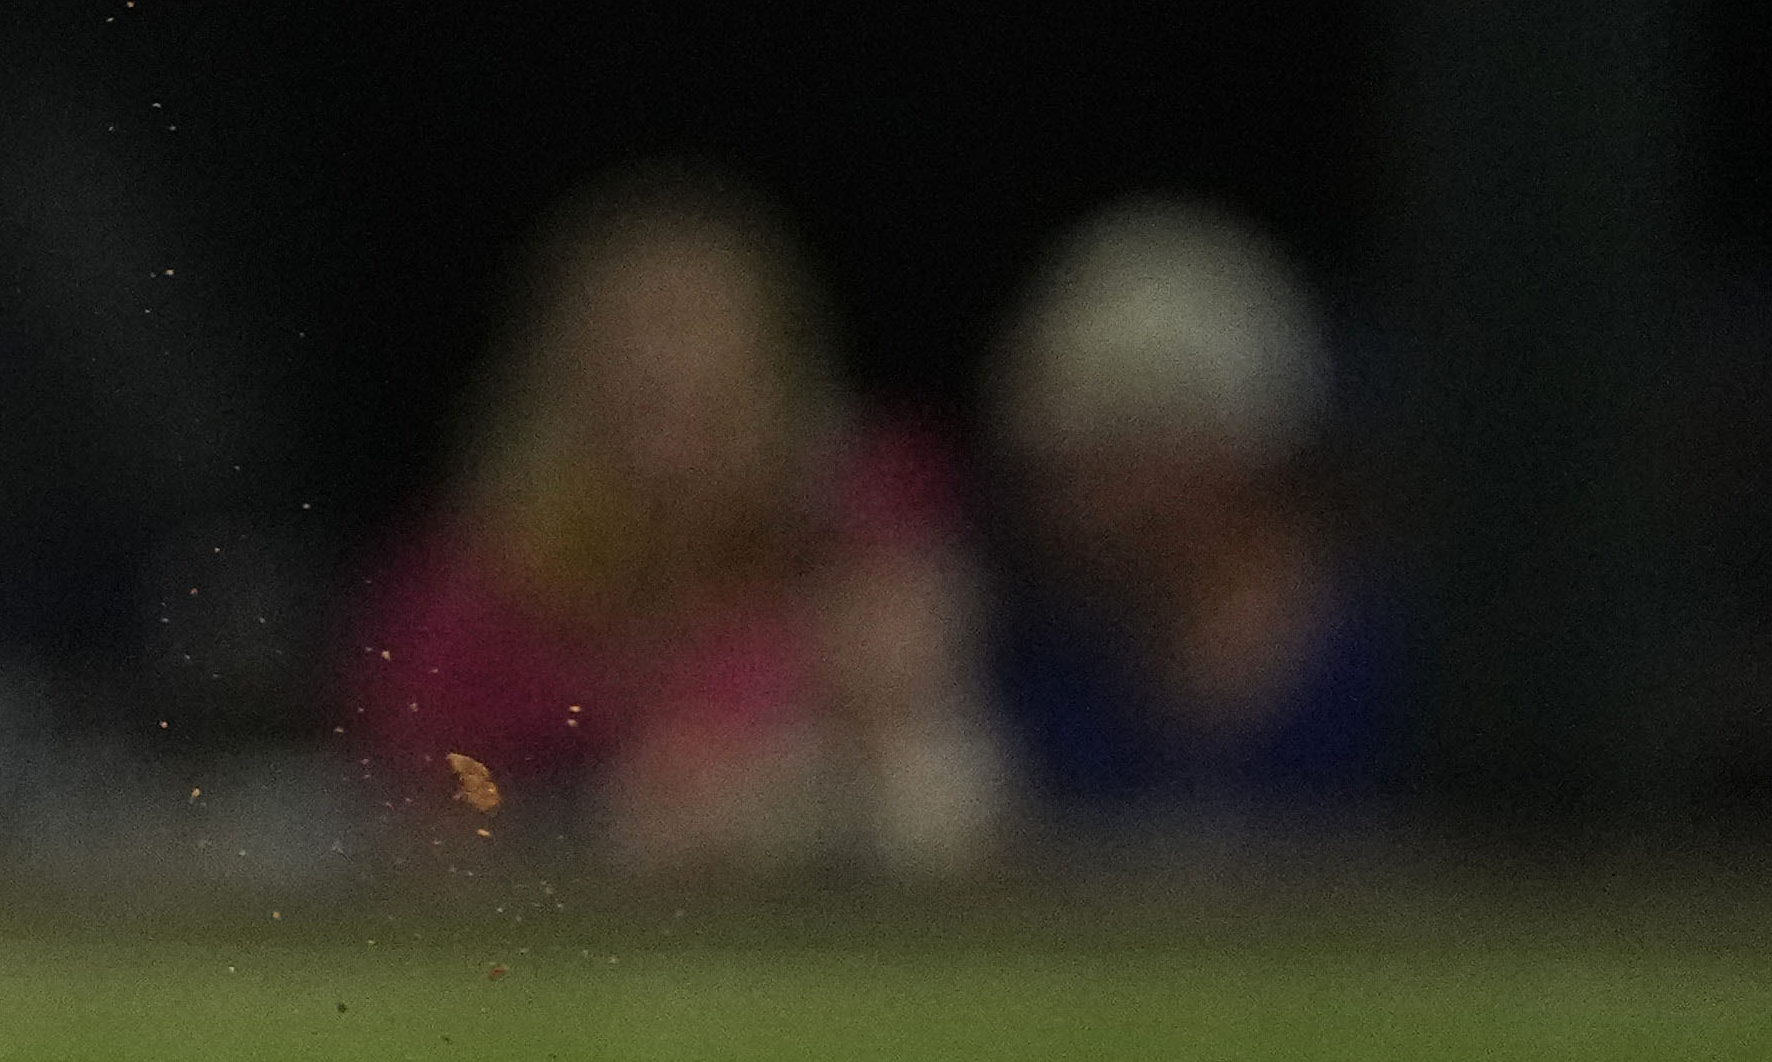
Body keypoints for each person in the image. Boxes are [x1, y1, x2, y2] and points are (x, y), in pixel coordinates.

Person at [349, 170, 1001, 879]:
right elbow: (407, 802)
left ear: (775, 372)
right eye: (633, 332)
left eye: (695, 328)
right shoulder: (469, 583)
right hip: (564, 924)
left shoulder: (860, 525)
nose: (663, 360)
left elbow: (939, 774)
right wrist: (596, 811)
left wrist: (776, 779)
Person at [981, 198, 1403, 828]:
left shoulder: (1404, 681)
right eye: (1063, 459)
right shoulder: (1032, 684)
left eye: (1120, 444)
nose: (1079, 496)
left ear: (1240, 449)